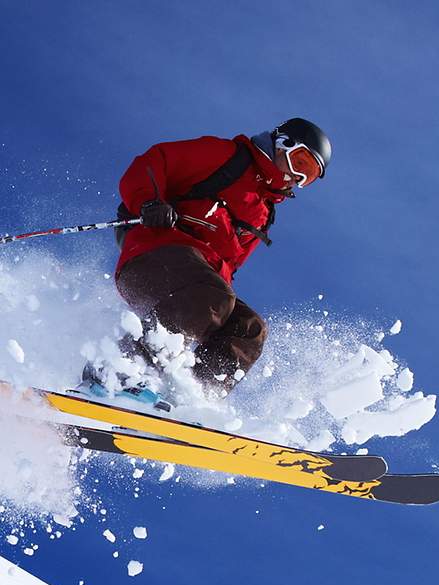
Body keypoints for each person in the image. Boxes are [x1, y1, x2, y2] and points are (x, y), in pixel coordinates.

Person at [90, 118, 332, 404]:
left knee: (248, 327)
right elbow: (154, 162)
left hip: (197, 286)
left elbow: (228, 269)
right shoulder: (228, 157)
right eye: (300, 163)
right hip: (154, 254)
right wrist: (148, 202)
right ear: (283, 144)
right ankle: (118, 368)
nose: (297, 177)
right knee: (214, 297)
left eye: (309, 176)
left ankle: (189, 397)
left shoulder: (263, 214)